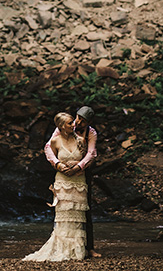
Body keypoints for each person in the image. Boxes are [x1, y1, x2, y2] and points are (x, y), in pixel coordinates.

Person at [23, 112, 89, 261]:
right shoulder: (55, 142)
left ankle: (77, 250)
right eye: (70, 123)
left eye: (73, 122)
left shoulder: (81, 141)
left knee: (77, 217)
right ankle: (62, 249)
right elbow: (51, 160)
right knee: (64, 216)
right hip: (63, 182)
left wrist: (77, 167)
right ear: (61, 126)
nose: (74, 125)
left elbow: (88, 159)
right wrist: (59, 166)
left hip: (78, 182)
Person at [43, 105, 101, 258]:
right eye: (77, 118)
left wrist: (78, 167)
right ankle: (64, 244)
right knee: (64, 208)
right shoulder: (64, 127)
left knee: (85, 209)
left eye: (82, 121)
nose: (77, 123)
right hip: (63, 168)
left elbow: (91, 153)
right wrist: (58, 164)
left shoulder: (91, 133)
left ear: (88, 122)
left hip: (83, 170)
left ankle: (89, 248)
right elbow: (49, 146)